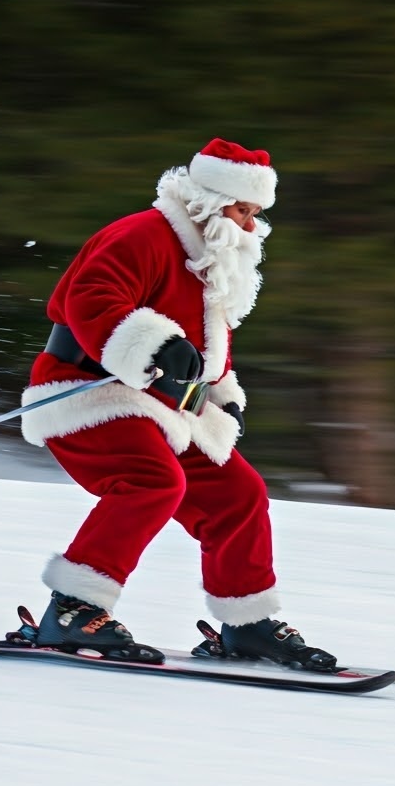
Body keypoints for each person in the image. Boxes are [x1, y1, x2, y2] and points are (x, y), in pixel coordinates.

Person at [18, 138, 337, 671]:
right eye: (243, 211)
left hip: (162, 407)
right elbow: (91, 299)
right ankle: (75, 608)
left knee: (239, 493)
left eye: (256, 214)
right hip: (87, 392)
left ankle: (248, 624)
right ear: (210, 201)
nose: (251, 226)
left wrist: (219, 395)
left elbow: (204, 348)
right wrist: (151, 343)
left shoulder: (209, 260)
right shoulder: (141, 235)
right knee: (151, 482)